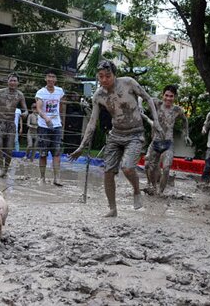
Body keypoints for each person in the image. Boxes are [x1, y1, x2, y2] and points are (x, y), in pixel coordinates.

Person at [69, 60, 163, 217]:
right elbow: (92, 123)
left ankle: (136, 190)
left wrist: (156, 123)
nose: (104, 79)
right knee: (108, 171)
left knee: (127, 167)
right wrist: (82, 146)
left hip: (135, 133)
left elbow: (148, 99)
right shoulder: (98, 95)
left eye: (108, 76)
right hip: (116, 134)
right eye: (101, 76)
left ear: (114, 74)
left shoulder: (128, 83)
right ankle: (112, 208)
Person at [145, 85, 192, 197]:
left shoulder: (177, 110)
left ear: (174, 97)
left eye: (171, 96)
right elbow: (144, 96)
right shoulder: (157, 103)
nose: (168, 98)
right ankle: (153, 187)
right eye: (166, 95)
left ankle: (160, 192)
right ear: (163, 95)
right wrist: (139, 105)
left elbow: (185, 121)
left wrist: (186, 135)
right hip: (156, 141)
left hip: (168, 143)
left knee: (166, 168)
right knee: (150, 167)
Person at [0, 73, 28, 178]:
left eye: (15, 81)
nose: (12, 82)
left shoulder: (20, 95)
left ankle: (5, 170)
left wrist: (25, 113)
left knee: (9, 149)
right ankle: (1, 169)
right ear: (7, 81)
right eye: (11, 80)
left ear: (18, 82)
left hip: (11, 124)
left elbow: (25, 110)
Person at [35, 69, 66, 186]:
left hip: (57, 126)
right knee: (43, 153)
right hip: (43, 126)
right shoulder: (40, 93)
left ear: (56, 79)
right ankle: (42, 177)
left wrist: (60, 119)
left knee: (57, 153)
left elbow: (61, 105)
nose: (51, 79)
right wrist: (45, 117)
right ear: (45, 78)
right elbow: (38, 108)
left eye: (53, 77)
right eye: (49, 77)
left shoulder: (60, 91)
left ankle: (57, 178)